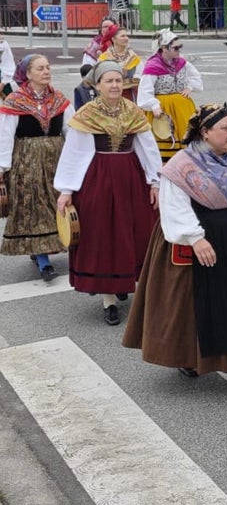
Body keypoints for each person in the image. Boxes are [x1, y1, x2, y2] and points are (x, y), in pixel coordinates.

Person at [123, 103, 227, 394]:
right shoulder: (182, 165)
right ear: (205, 132)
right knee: (201, 306)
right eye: (225, 128)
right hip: (205, 240)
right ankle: (193, 358)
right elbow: (174, 206)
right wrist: (195, 238)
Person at [53, 61, 162, 326]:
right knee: (102, 234)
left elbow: (147, 147)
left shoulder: (133, 112)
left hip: (130, 178)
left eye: (118, 80)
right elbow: (75, 152)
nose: (114, 85)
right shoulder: (87, 114)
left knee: (131, 231)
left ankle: (125, 280)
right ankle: (108, 298)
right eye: (109, 81)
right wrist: (66, 190)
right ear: (97, 85)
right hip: (97, 179)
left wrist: (155, 182)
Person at [0, 55, 72, 281]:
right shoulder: (15, 101)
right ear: (28, 74)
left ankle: (48, 247)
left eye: (48, 67)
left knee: (56, 203)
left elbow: (71, 131)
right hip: (26, 161)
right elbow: (5, 136)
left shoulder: (59, 99)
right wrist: (2, 167)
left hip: (56, 159)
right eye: (40, 68)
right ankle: (43, 260)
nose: (46, 71)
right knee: (34, 206)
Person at [138, 30, 202, 163]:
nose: (179, 50)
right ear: (164, 48)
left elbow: (196, 77)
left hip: (182, 108)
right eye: (176, 48)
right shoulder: (153, 66)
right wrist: (154, 105)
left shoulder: (182, 63)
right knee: (164, 140)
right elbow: (144, 91)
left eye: (180, 47)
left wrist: (189, 87)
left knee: (188, 141)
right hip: (163, 109)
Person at [97, 26, 142, 102]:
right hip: (109, 97)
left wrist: (134, 80)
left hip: (129, 97)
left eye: (126, 35)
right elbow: (98, 78)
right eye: (122, 36)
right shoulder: (104, 58)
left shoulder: (134, 57)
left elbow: (141, 75)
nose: (126, 38)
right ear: (114, 39)